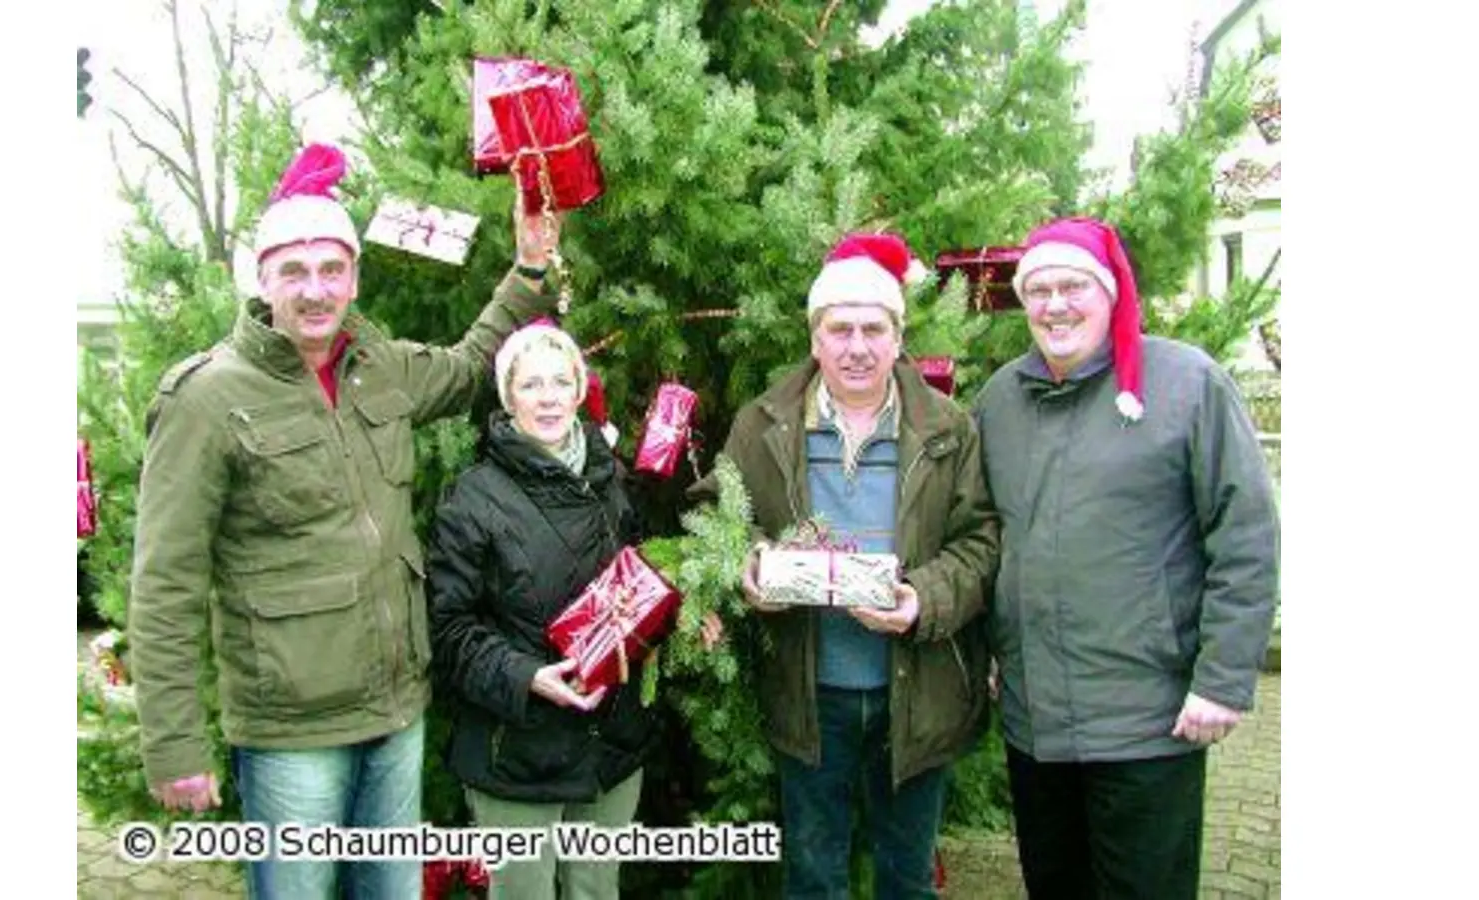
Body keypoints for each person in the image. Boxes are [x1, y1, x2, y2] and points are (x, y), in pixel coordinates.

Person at [126, 142, 565, 899]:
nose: (315, 290)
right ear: (262, 279)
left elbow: (470, 368)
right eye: (293, 271)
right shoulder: (205, 399)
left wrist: (529, 270)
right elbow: (166, 581)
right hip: (291, 734)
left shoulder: (378, 366)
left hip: (396, 714)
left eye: (332, 269)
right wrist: (174, 744)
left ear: (354, 278)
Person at [971, 216, 1280, 900]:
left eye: (1073, 287)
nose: (1055, 305)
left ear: (1109, 293)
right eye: (1039, 290)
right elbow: (985, 538)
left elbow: (1245, 535)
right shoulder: (1000, 402)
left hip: (1148, 720)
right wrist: (992, 644)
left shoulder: (1188, 384)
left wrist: (1223, 679)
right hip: (1035, 725)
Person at [689, 233, 1001, 898]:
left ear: (898, 337)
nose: (857, 347)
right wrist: (749, 564)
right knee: (813, 877)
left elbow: (981, 543)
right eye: (840, 330)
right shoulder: (762, 424)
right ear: (815, 339)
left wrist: (921, 599)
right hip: (807, 692)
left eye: (873, 329)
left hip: (915, 694)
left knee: (907, 879)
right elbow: (720, 514)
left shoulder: (948, 428)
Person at [426, 322, 654, 900]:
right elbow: (448, 628)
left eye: (560, 381)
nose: (548, 397)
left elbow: (642, 577)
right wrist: (527, 677)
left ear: (579, 390)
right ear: (509, 398)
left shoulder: (612, 479)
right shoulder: (473, 497)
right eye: (530, 385)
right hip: (518, 749)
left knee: (595, 890)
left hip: (611, 742)